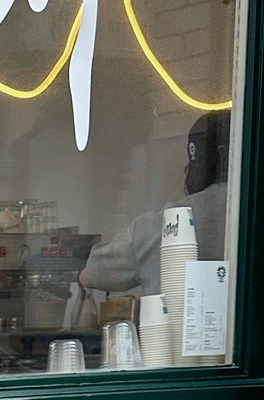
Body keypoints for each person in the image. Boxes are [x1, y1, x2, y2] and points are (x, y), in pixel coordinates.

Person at [79, 112, 230, 295]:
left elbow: (92, 275)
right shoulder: (243, 209)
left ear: (192, 169)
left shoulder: (165, 223)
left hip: (175, 324)